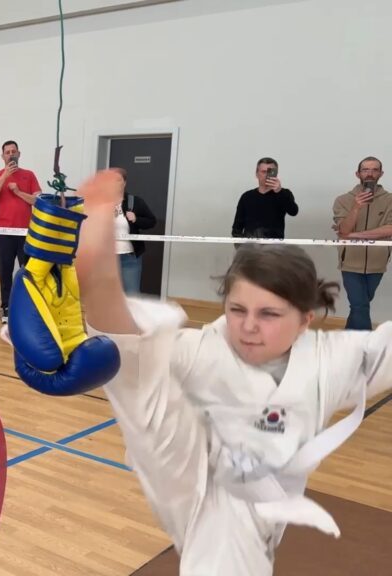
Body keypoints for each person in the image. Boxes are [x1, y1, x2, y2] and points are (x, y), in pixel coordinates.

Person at [54, 169, 392, 575]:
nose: (249, 326)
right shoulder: (196, 352)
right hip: (207, 508)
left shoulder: (328, 361)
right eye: (237, 310)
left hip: (263, 517)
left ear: (304, 320)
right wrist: (96, 224)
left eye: (269, 314)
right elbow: (115, 324)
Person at [333, 156, 390, 330]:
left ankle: (347, 339)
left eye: (374, 169)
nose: (370, 173)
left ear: (381, 173)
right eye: (365, 170)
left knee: (360, 306)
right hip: (350, 262)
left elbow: (390, 229)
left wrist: (355, 235)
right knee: (360, 306)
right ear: (358, 174)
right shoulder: (343, 200)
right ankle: (366, 347)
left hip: (377, 263)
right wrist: (356, 207)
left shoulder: (390, 200)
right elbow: (343, 230)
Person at [0, 140, 41, 323]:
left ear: (19, 154)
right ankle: (6, 309)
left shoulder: (29, 175)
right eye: (7, 152)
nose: (11, 154)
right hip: (4, 232)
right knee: (6, 271)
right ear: (3, 156)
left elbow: (37, 202)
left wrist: (18, 192)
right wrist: (5, 176)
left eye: (13, 151)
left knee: (28, 271)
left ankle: (28, 308)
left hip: (26, 232)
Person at [231, 158, 299, 240]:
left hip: (275, 248)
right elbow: (237, 227)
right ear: (257, 174)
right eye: (263, 172)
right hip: (250, 248)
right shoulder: (246, 197)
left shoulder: (284, 194)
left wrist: (279, 191)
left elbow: (293, 211)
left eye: (270, 172)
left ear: (276, 174)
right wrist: (241, 247)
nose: (266, 175)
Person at [113, 169, 156, 294]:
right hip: (106, 258)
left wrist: (136, 219)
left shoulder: (135, 202)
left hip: (129, 257)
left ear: (124, 183)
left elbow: (151, 221)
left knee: (131, 294)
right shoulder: (102, 204)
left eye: (118, 180)